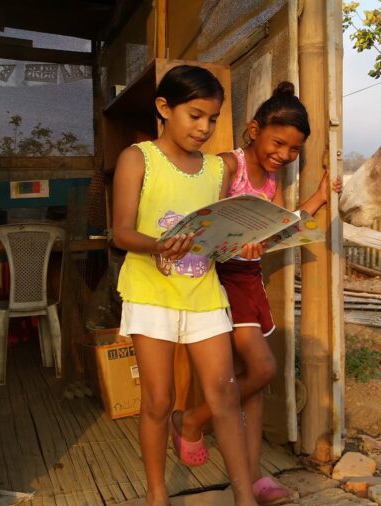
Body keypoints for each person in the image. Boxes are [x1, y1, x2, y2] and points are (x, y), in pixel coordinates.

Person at [173, 81, 341, 505]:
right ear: (253, 129)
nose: (283, 154)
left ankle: (253, 478)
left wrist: (319, 198)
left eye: (293, 150)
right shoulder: (228, 165)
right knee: (262, 368)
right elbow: (203, 217)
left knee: (253, 387)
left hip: (249, 279)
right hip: (218, 277)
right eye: (278, 142)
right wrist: (231, 240)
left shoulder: (271, 180)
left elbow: (278, 224)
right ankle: (193, 420)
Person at [112, 65, 256, 506]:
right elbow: (120, 231)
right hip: (150, 292)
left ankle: (244, 497)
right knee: (158, 401)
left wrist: (242, 245)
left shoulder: (216, 170)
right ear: (164, 108)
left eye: (211, 119)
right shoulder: (138, 158)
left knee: (224, 394)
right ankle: (157, 495)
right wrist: (158, 244)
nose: (204, 127)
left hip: (203, 292)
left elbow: (214, 235)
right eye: (194, 115)